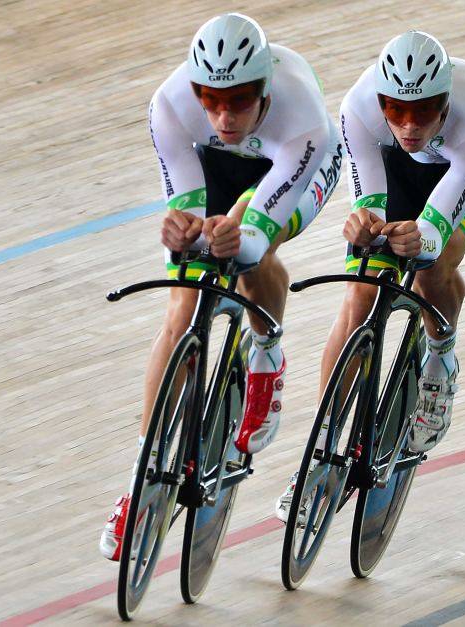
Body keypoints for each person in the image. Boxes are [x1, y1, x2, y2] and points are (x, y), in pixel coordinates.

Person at [99, 13, 343, 560]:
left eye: (238, 101)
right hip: (213, 168)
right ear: (195, 91)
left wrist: (240, 231)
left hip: (290, 170)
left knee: (253, 252)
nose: (224, 114)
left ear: (264, 90)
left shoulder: (302, 115)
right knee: (182, 305)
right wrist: (182, 230)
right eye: (211, 100)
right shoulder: (170, 105)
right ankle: (144, 474)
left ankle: (266, 352)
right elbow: (184, 202)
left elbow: (255, 228)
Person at [275, 30, 465, 521]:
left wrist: (424, 237)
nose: (409, 124)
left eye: (424, 111)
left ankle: (440, 359)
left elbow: (440, 217)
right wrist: (364, 222)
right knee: (361, 293)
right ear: (381, 100)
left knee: (436, 260)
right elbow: (368, 194)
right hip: (395, 171)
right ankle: (318, 453)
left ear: (445, 104)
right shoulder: (360, 109)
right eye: (397, 110)